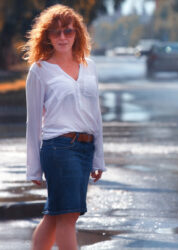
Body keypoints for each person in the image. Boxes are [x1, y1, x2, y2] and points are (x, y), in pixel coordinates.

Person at [22, 4, 106, 250]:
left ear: (76, 33)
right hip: (58, 148)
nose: (62, 37)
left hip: (84, 149)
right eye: (56, 32)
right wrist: (34, 169)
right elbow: (33, 123)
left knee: (57, 214)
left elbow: (96, 116)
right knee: (67, 216)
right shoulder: (39, 71)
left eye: (68, 31)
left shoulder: (90, 67)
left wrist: (98, 157)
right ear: (47, 36)